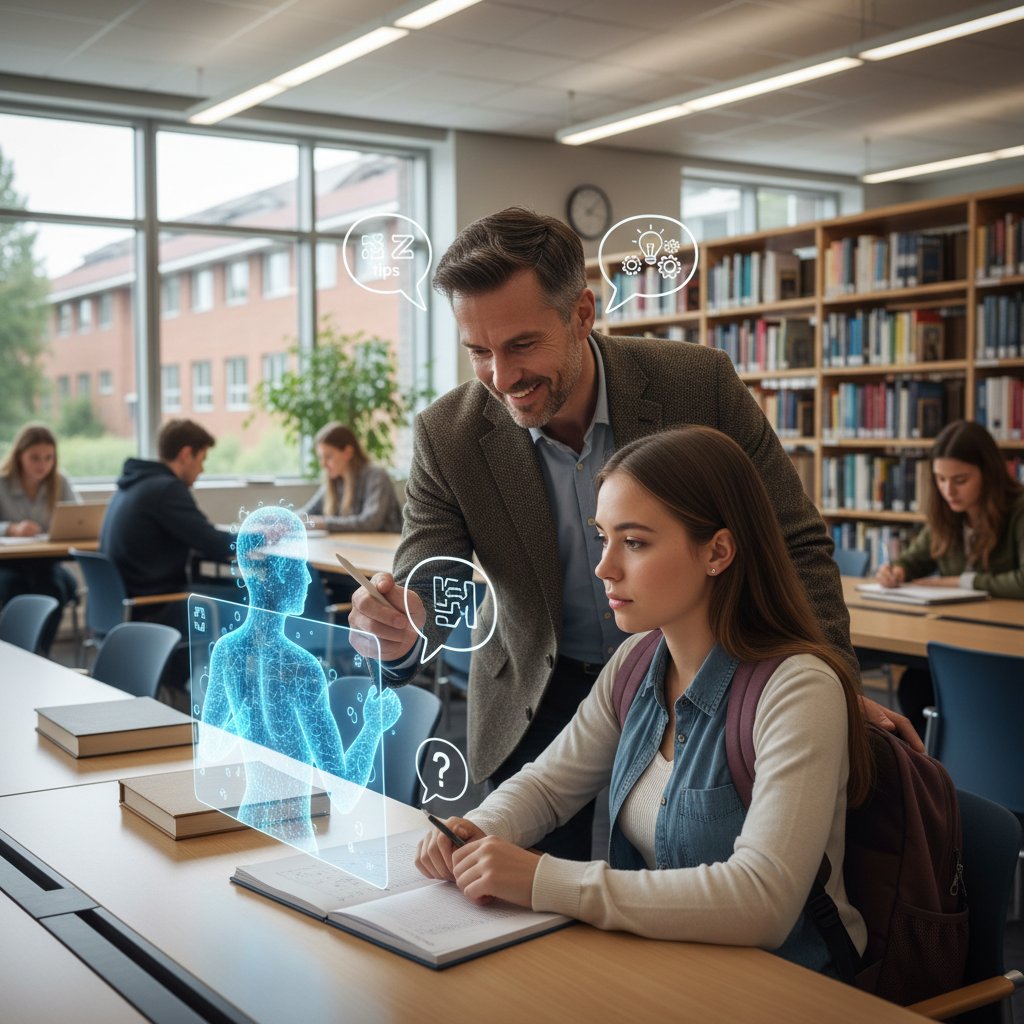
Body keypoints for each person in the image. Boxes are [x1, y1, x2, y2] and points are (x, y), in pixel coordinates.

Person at [351, 207, 917, 861]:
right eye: (479, 351)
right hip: (540, 688)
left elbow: (794, 542)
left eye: (522, 345)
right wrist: (409, 613)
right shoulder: (447, 431)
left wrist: (837, 685)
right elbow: (433, 558)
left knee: (681, 890)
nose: (502, 378)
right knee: (515, 905)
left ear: (582, 313)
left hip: (701, 680)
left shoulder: (696, 385)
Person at [415, 426, 871, 973]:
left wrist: (546, 880)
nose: (604, 567)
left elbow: (763, 902)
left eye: (634, 542)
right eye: (603, 538)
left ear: (718, 552)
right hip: (667, 968)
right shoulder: (636, 661)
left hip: (786, 988)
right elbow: (548, 786)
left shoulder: (797, 689)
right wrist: (481, 827)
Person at [198, 505, 401, 851]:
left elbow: (211, 748)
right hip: (291, 839)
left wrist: (247, 718)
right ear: (277, 570)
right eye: (301, 566)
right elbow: (344, 792)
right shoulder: (300, 668)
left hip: (248, 824)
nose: (308, 579)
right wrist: (372, 727)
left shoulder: (227, 651)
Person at [876, 419, 1024, 731]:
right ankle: (933, 772)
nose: (948, 490)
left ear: (989, 473)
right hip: (955, 635)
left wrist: (960, 581)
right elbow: (916, 558)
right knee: (915, 685)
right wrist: (896, 570)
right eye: (940, 479)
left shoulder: (1018, 512)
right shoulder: (947, 514)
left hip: (1005, 640)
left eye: (960, 479)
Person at [100, 419, 235, 695]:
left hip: (124, 604)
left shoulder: (133, 484)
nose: (202, 469)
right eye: (201, 459)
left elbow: (196, 537)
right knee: (242, 603)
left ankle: (175, 689)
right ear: (186, 454)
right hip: (153, 607)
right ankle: (234, 704)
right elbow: (212, 543)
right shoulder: (166, 489)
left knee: (218, 593)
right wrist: (259, 539)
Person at [0, 423, 80, 652]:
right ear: (19, 456)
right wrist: (11, 529)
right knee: (16, 589)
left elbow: (76, 518)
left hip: (45, 562)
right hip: (7, 564)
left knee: (56, 588)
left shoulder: (60, 482)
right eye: (34, 458)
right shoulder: (2, 482)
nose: (42, 465)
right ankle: (16, 651)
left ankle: (40, 651)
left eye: (48, 458)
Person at [300, 422, 402, 533]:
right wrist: (287, 520)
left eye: (328, 457)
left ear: (348, 452)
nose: (323, 464)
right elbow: (307, 512)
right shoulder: (335, 481)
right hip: (353, 545)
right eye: (321, 458)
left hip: (384, 547)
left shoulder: (376, 476)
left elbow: (370, 522)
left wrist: (323, 523)